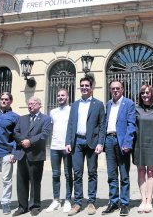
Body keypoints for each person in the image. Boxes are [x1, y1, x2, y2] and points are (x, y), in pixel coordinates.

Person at [65, 76, 105, 216]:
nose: (84, 87)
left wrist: (100, 143)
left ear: (91, 87)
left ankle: (91, 202)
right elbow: (70, 124)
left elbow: (102, 125)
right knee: (77, 173)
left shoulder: (98, 104)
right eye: (82, 85)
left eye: (87, 85)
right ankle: (77, 202)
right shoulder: (75, 105)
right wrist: (68, 142)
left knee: (92, 172)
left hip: (92, 143)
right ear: (80, 87)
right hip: (77, 142)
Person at [12, 97, 52, 216]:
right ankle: (22, 206)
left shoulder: (46, 119)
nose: (30, 106)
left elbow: (45, 134)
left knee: (35, 181)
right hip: (22, 154)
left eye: (33, 104)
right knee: (21, 181)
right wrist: (22, 141)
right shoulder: (22, 118)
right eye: (29, 104)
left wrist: (30, 141)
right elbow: (15, 132)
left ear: (39, 105)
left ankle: (35, 206)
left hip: (36, 155)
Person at [101, 80, 136, 216]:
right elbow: (105, 123)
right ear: (110, 90)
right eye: (113, 88)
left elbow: (131, 124)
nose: (115, 90)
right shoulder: (108, 104)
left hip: (122, 142)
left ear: (122, 89)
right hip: (109, 141)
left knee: (124, 175)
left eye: (118, 88)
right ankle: (113, 202)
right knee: (111, 175)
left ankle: (124, 204)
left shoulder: (129, 103)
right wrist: (102, 142)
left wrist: (127, 142)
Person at [45, 88, 74, 213]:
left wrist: (71, 143)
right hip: (54, 147)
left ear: (67, 97)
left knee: (68, 175)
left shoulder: (72, 110)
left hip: (67, 147)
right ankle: (56, 200)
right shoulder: (53, 112)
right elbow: (49, 128)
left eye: (63, 95)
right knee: (55, 175)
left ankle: (67, 200)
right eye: (58, 95)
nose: (60, 97)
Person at [133, 84, 153, 214]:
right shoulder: (136, 109)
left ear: (152, 94)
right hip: (139, 144)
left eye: (147, 92)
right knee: (140, 171)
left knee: (151, 172)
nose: (145, 95)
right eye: (143, 92)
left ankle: (149, 200)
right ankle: (142, 200)